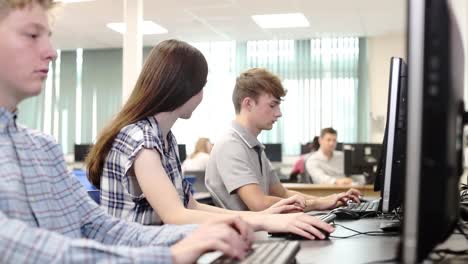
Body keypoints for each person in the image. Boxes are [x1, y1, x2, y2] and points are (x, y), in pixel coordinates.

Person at [0, 1, 254, 263]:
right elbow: (18, 248)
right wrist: (169, 255)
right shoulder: (140, 138)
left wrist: (200, 235)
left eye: (48, 37)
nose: (51, 52)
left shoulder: (43, 149)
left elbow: (101, 228)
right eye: (32, 35)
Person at [86, 39, 334, 240]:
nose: (202, 96)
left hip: (160, 250)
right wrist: (264, 220)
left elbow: (190, 205)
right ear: (183, 88)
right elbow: (176, 215)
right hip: (133, 256)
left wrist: (264, 216)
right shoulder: (141, 140)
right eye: (201, 87)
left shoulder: (165, 139)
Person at [205, 68, 361, 212]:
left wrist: (328, 200)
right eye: (272, 105)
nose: (278, 113)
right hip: (247, 237)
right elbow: (258, 204)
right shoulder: (230, 145)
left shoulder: (254, 146)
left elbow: (282, 193)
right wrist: (318, 204)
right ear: (248, 103)